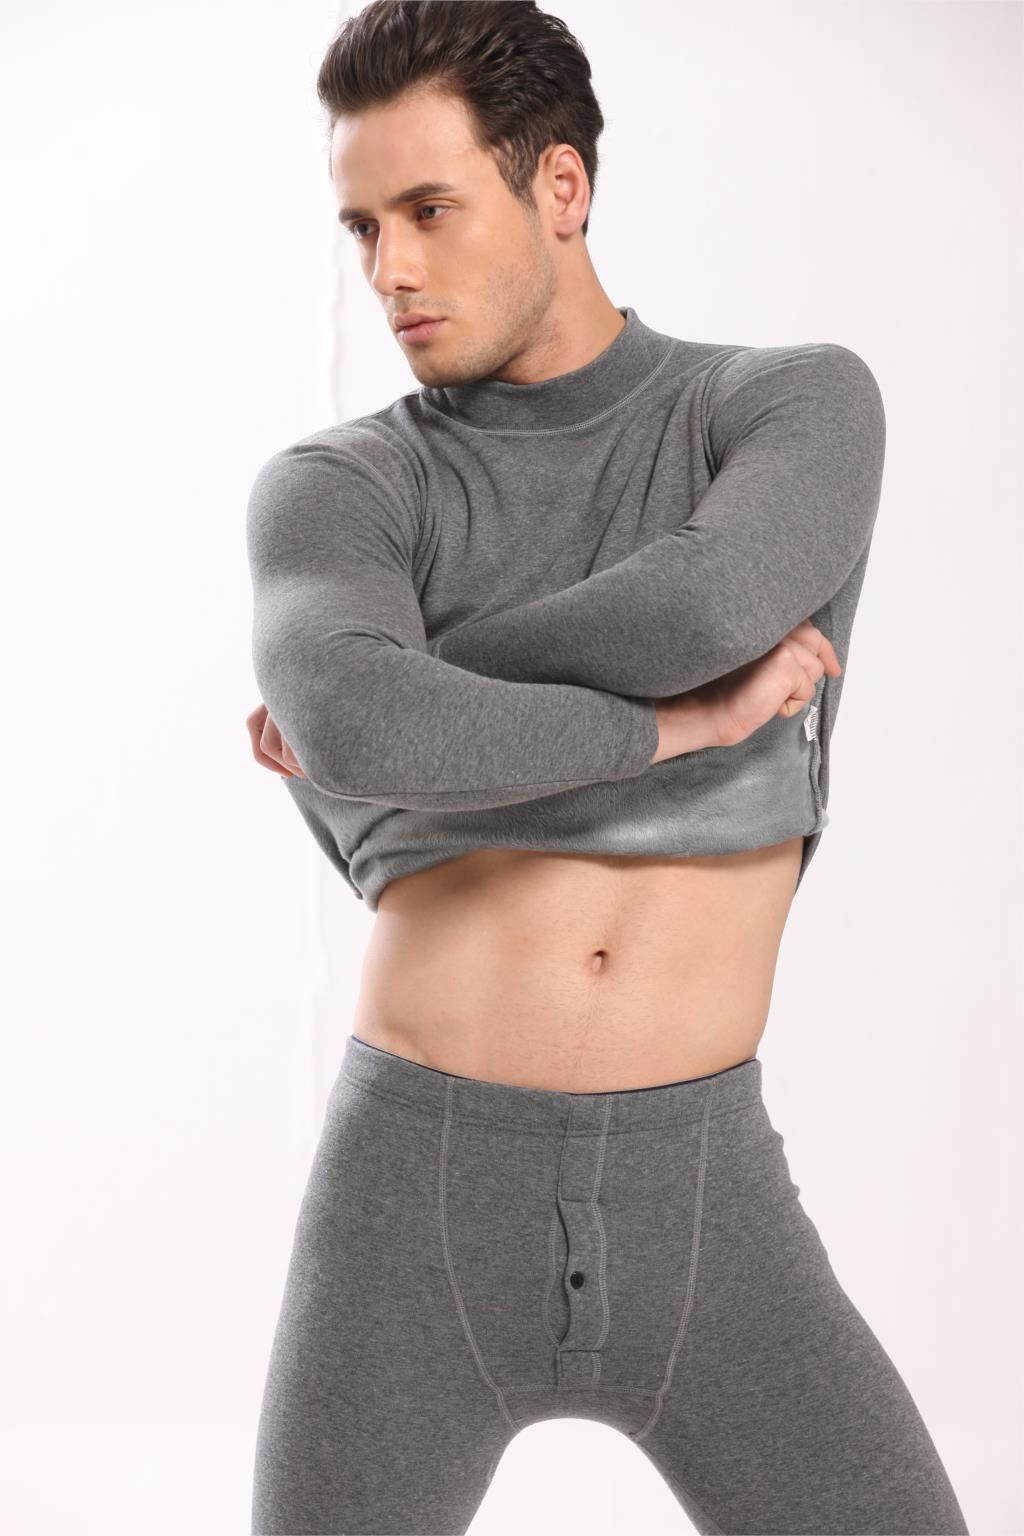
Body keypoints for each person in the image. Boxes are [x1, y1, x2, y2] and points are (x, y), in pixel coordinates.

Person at [243, 3, 970, 1532]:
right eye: (363, 226)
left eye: (430, 209)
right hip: (411, 1201)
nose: (390, 270)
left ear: (560, 187)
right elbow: (367, 720)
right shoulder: (339, 487)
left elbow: (704, 607)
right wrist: (669, 729)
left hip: (706, 1197)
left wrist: (413, 694)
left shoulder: (783, 404)